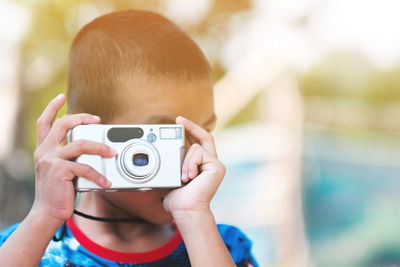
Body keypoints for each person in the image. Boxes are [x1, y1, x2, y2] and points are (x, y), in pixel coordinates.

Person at [0, 10, 258, 266]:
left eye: (203, 133)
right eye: (162, 138)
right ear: (82, 139)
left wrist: (193, 217)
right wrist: (45, 215)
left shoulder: (223, 247)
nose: (190, 162)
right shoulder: (27, 247)